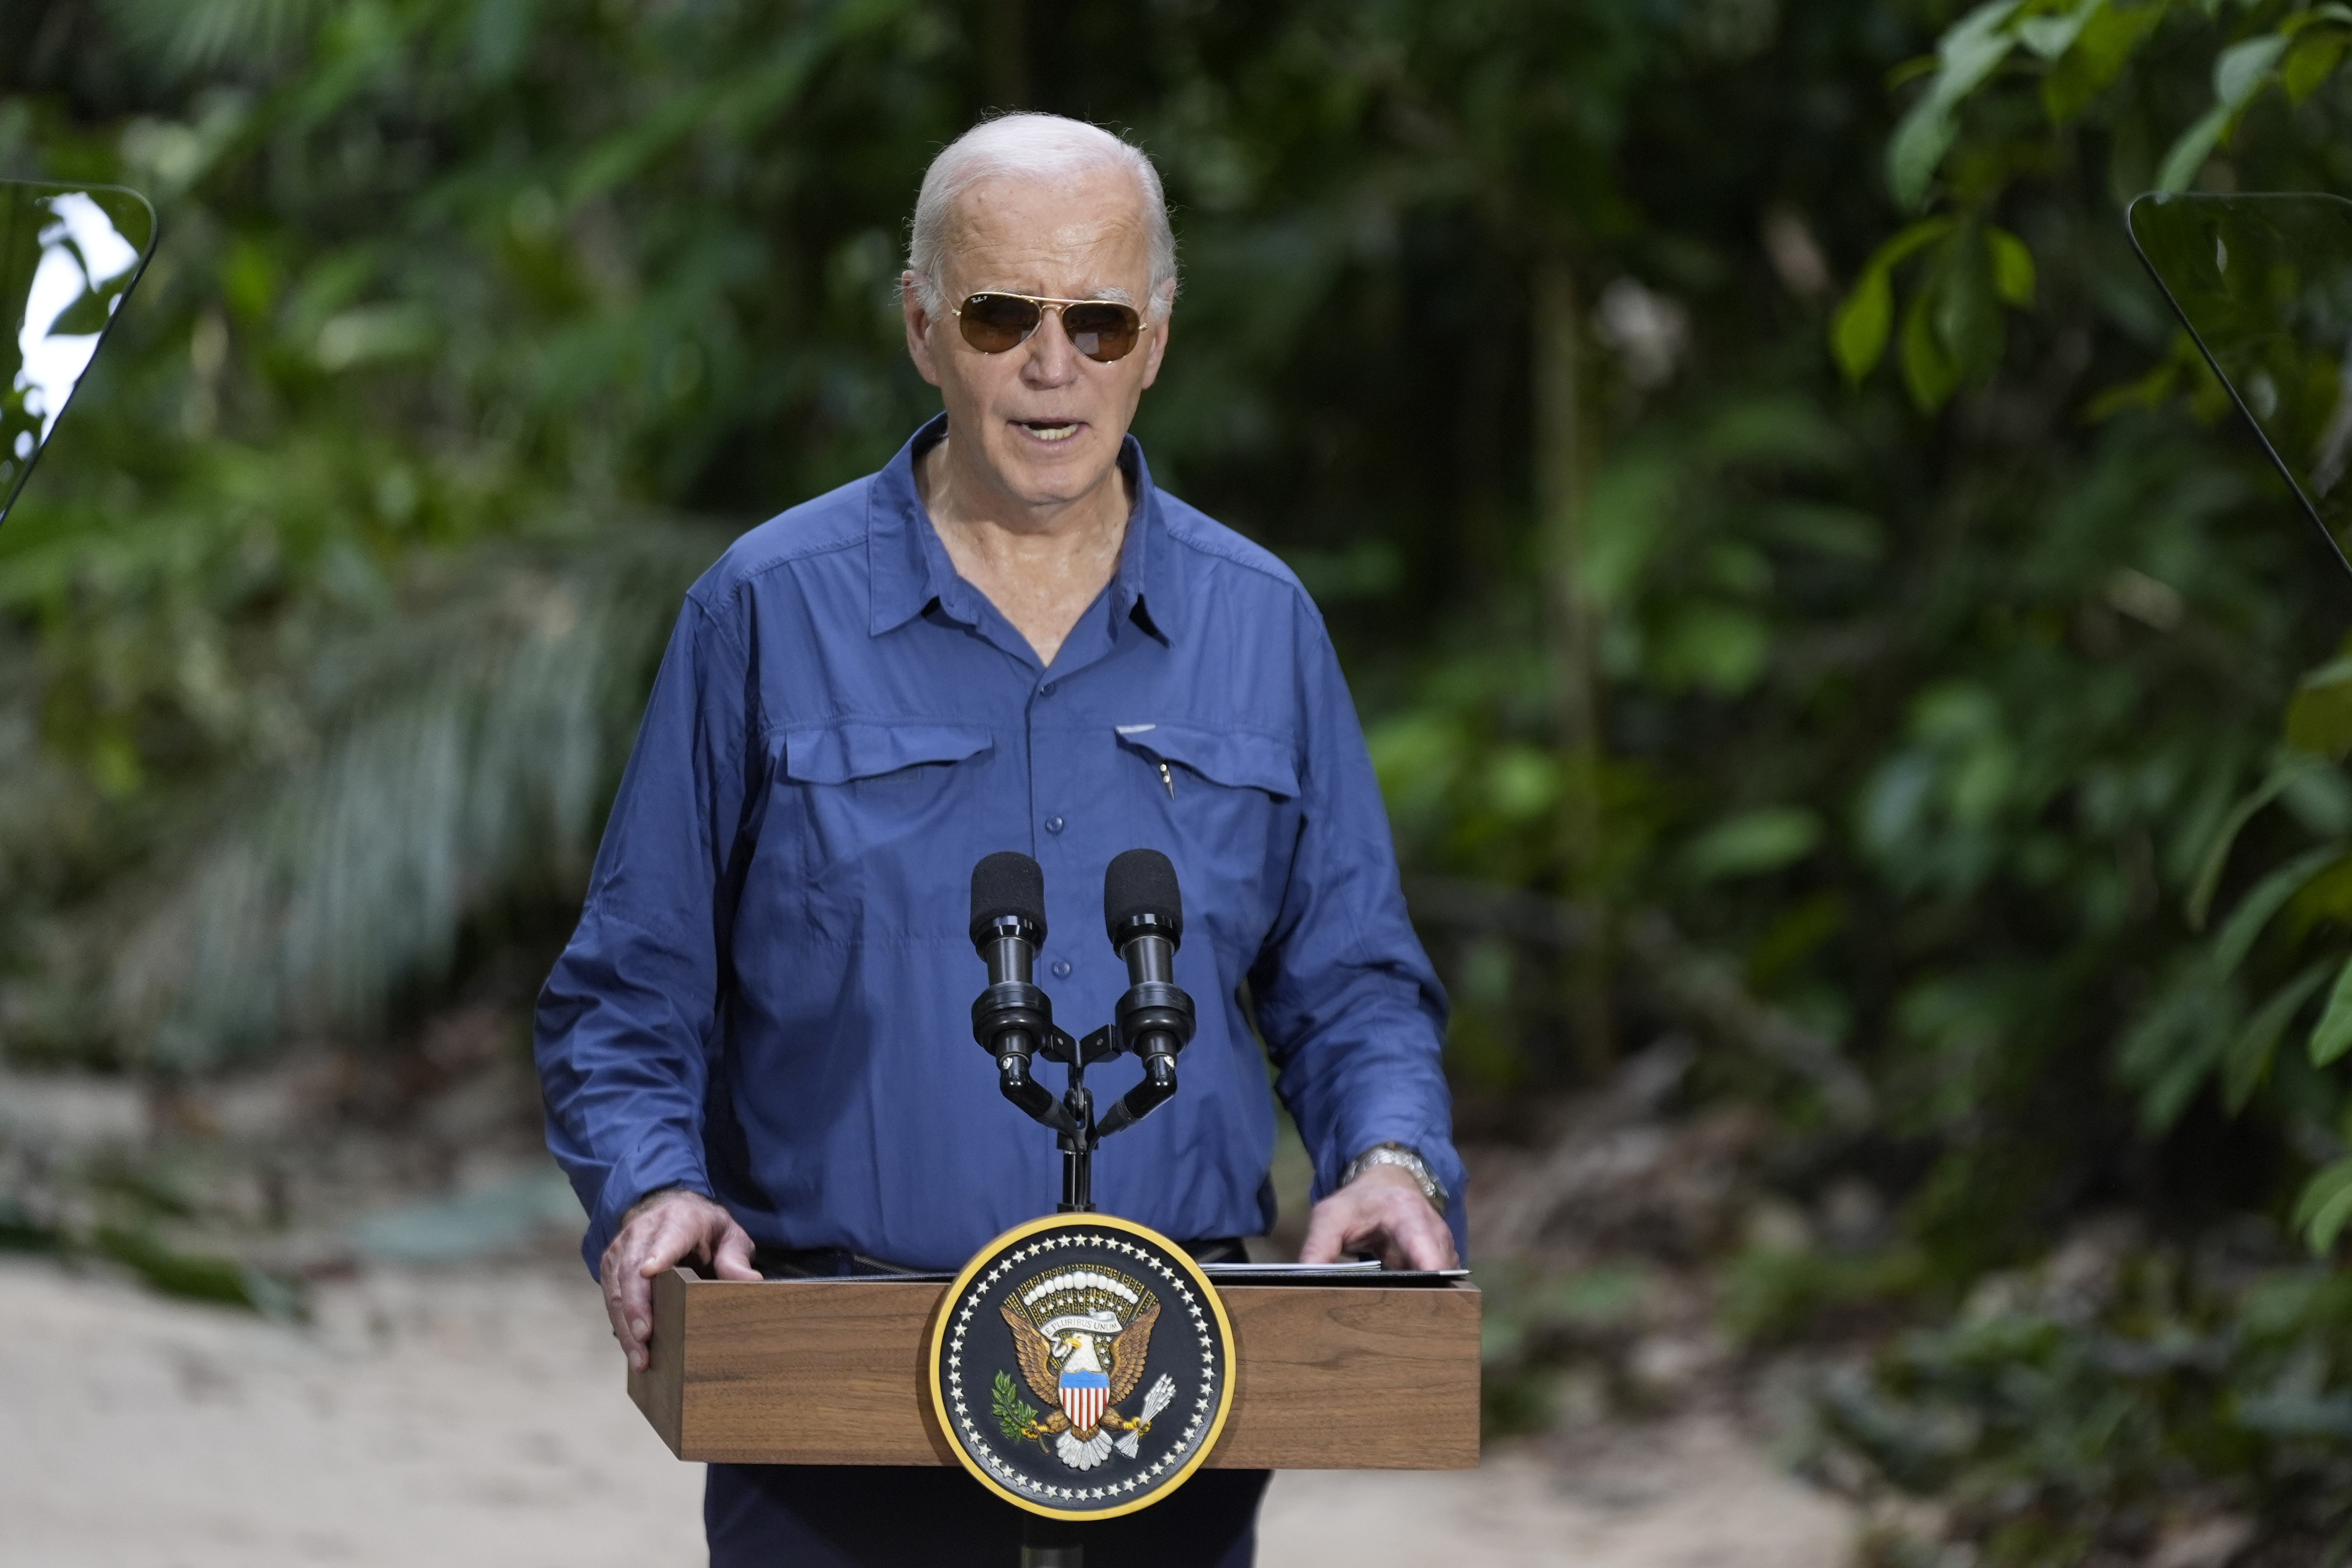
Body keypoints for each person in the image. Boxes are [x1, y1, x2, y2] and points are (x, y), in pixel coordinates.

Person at [533, 112, 1463, 1568]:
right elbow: (628, 991)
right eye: (1001, 313)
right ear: (922, 326)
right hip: (835, 1394)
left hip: (1174, 1392)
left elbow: (1352, 983)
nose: (1052, 363)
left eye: (1098, 320)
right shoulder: (765, 612)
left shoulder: (1262, 623)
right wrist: (653, 1184)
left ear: (1156, 337)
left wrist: (1393, 1157)